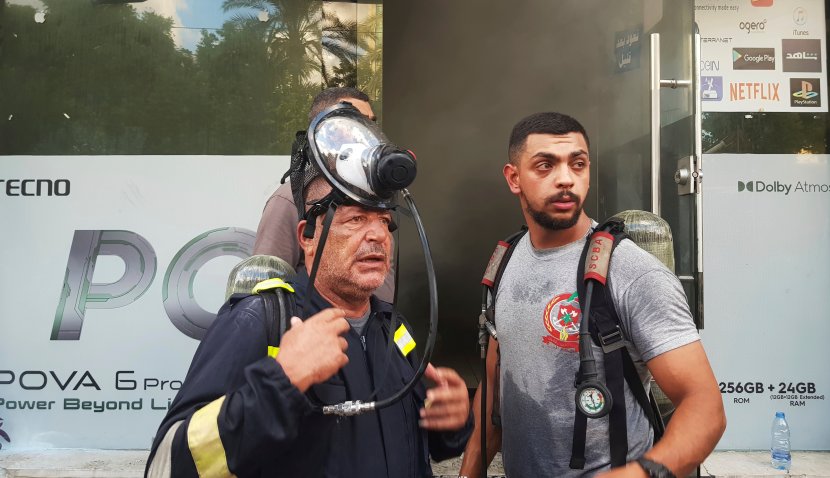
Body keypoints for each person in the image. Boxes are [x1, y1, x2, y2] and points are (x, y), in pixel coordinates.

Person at [146, 161, 472, 476]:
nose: (378, 236)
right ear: (307, 236)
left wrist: (453, 424)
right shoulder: (259, 319)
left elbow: (410, 446)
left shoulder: (394, 329)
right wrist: (282, 379)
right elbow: (167, 465)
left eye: (385, 222)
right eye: (356, 219)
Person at [458, 112, 725, 477]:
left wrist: (639, 474)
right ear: (514, 178)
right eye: (545, 165)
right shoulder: (505, 260)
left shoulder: (631, 272)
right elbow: (495, 381)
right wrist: (470, 469)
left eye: (578, 164)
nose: (566, 179)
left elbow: (705, 408)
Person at [253, 87, 395, 302]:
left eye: (371, 122)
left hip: (376, 330)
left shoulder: (377, 194)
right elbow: (265, 290)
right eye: (356, 121)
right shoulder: (291, 200)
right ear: (326, 130)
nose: (368, 132)